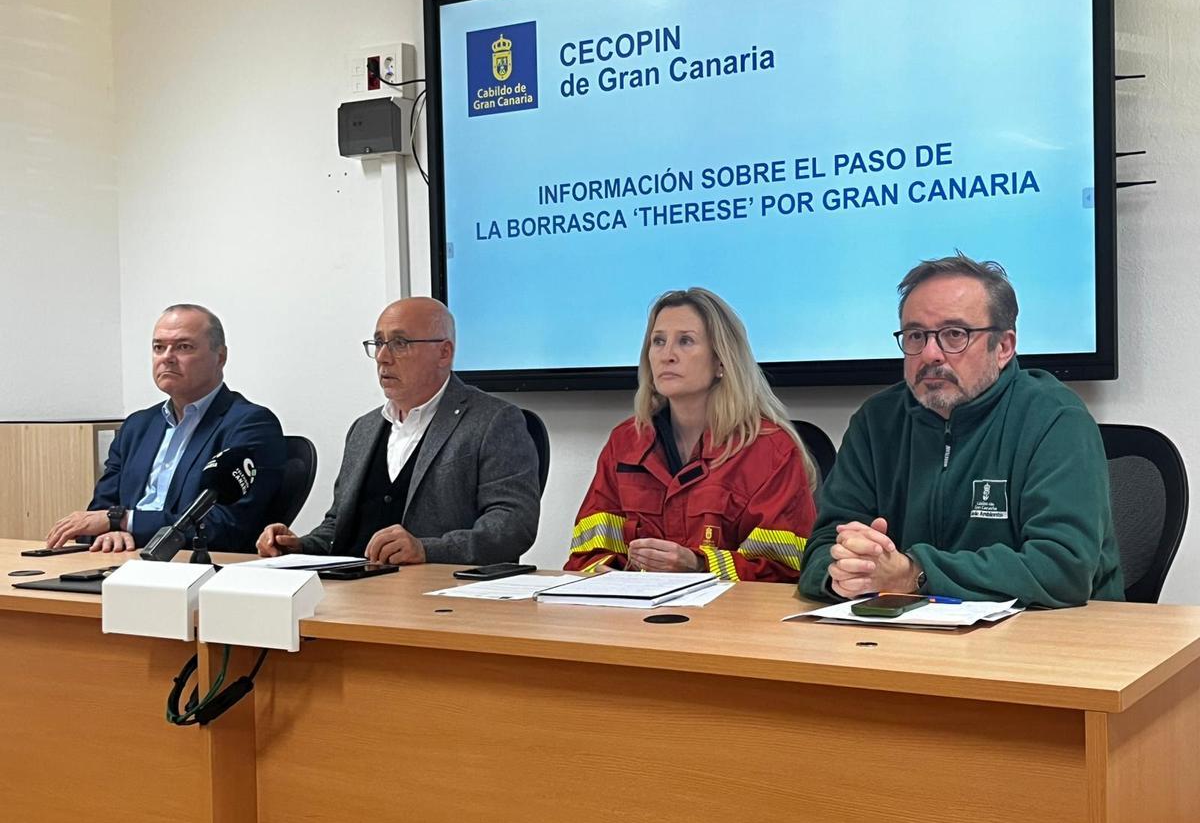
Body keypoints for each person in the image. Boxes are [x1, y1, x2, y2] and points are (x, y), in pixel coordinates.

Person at [799, 252, 1122, 607]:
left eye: (955, 334)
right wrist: (847, 571)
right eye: (916, 336)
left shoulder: (1055, 419)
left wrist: (915, 573)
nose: (930, 354)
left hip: (1048, 633)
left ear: (1003, 347)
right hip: (905, 629)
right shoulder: (876, 422)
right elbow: (822, 548)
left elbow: (1063, 569)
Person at [256, 297, 540, 566]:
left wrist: (427, 550)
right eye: (378, 343)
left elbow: (513, 525)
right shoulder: (364, 428)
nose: (382, 357)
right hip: (350, 586)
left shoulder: (493, 421)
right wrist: (298, 547)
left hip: (432, 589)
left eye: (399, 343)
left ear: (444, 353)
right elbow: (338, 526)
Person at [566, 288, 816, 582]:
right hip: (634, 608)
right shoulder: (625, 442)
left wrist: (699, 566)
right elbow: (585, 555)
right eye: (658, 341)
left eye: (685, 341)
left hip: (731, 611)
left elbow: (786, 573)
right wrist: (600, 572)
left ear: (721, 361)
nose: (667, 355)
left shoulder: (771, 450)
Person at [46, 304, 286, 554]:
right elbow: (99, 513)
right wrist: (112, 531)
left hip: (195, 564)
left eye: (184, 347)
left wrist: (123, 521)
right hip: (121, 557)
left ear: (220, 357)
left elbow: (227, 526)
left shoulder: (250, 424)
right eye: (159, 347)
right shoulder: (137, 426)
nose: (167, 357)